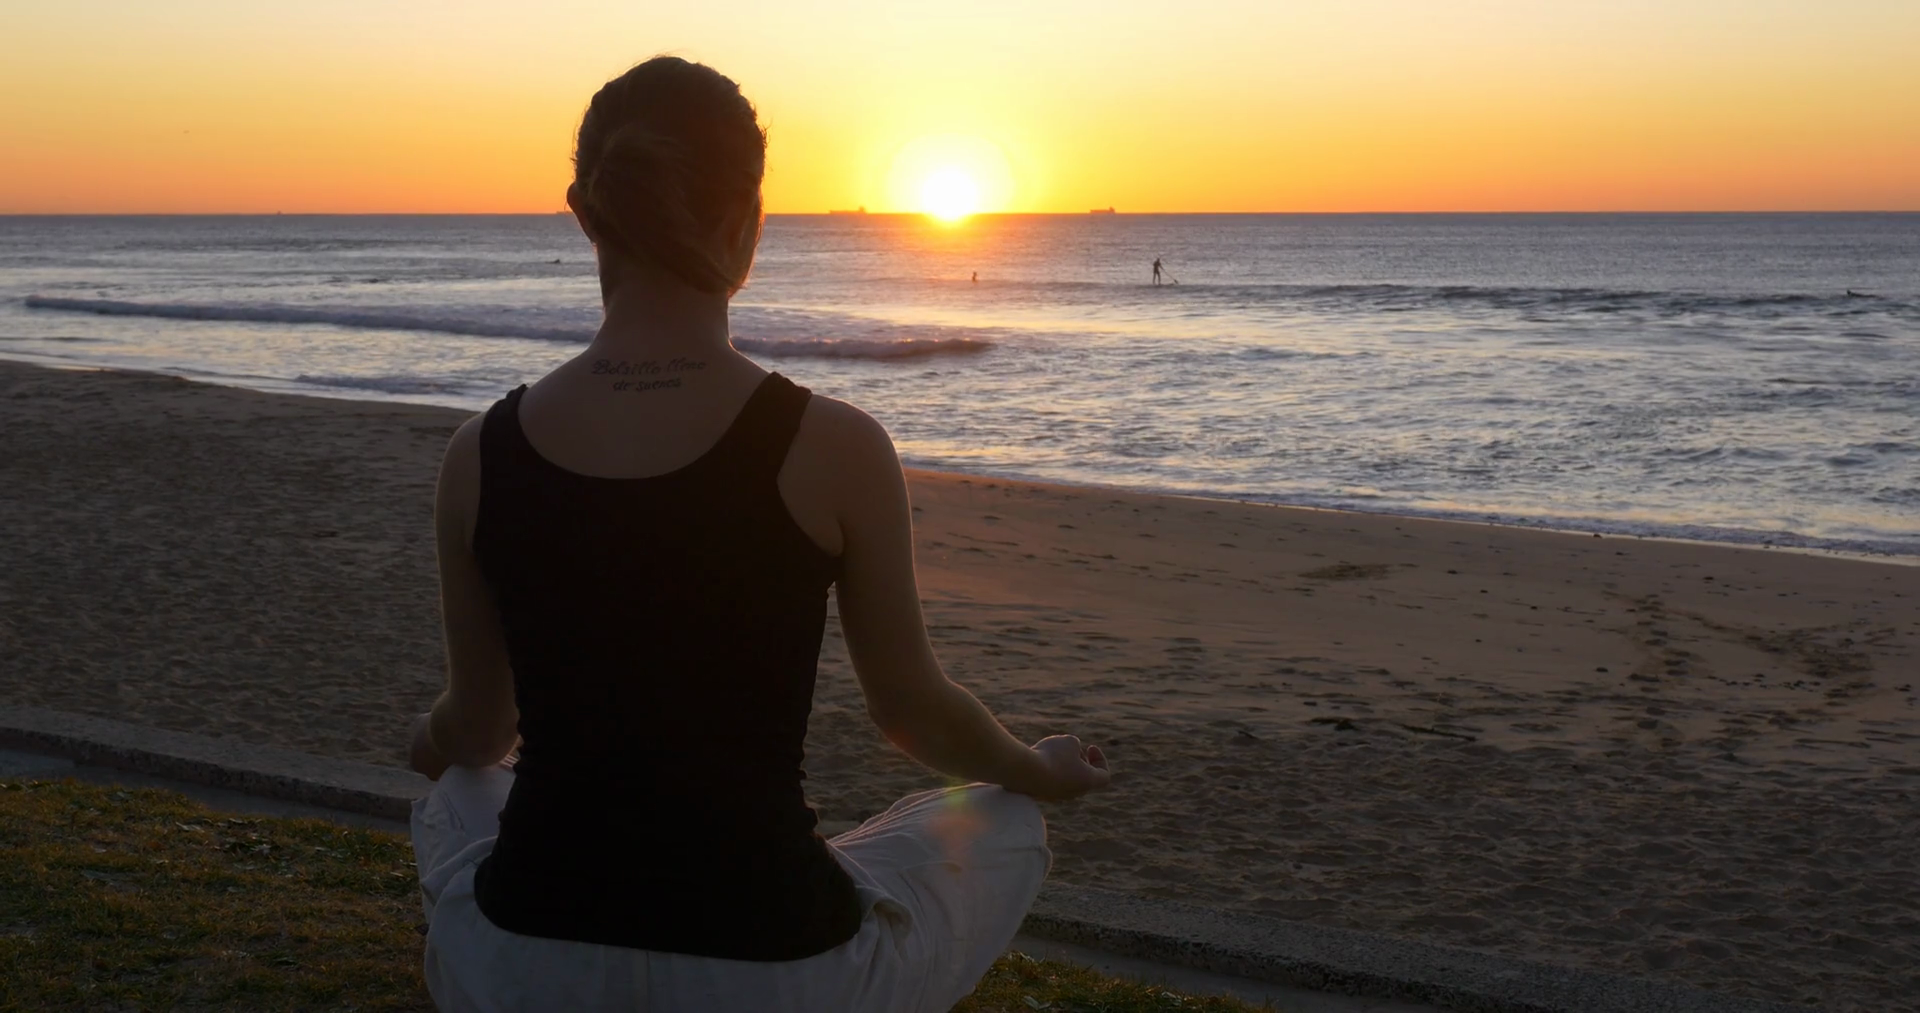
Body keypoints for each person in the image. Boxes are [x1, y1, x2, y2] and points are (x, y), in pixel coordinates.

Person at [404, 56, 1112, 1013]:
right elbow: (914, 715)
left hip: (527, 970)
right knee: (1008, 819)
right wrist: (1040, 767)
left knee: (457, 791)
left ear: (584, 211)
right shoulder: (836, 445)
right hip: (779, 975)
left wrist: (428, 736)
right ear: (750, 219)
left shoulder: (478, 452)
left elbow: (481, 731)